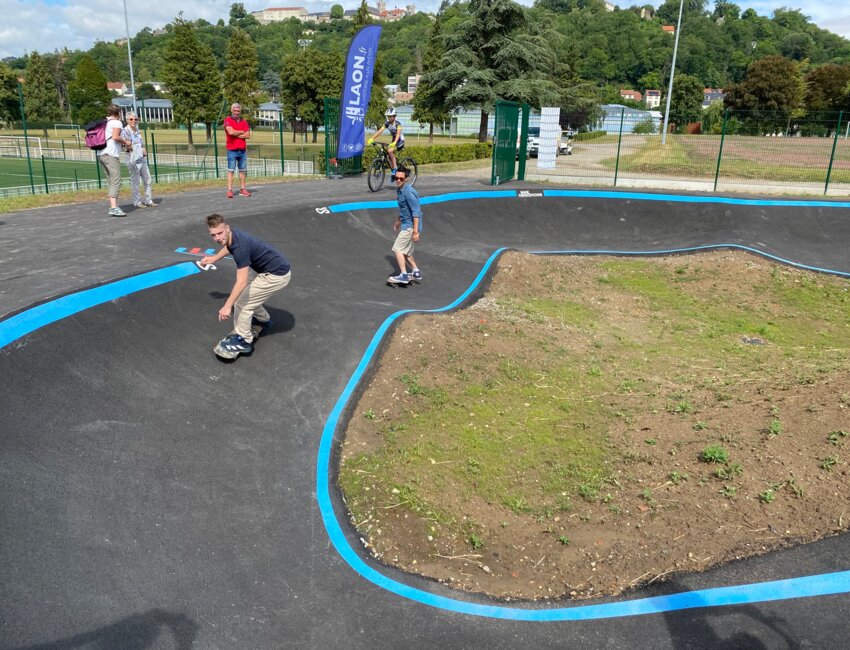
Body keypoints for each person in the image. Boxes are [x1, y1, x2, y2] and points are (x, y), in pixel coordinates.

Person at [199, 213, 291, 355]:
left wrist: (227, 306)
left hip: (276, 275)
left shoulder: (240, 248)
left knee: (241, 304)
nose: (217, 238)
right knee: (246, 295)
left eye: (220, 233)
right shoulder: (232, 235)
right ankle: (262, 320)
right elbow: (228, 246)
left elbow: (241, 282)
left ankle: (244, 341)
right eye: (213, 235)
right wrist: (214, 258)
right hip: (268, 268)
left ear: (227, 228)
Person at [387, 168, 422, 285]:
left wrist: (415, 232)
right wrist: (398, 221)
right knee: (406, 252)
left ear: (406, 179)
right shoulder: (399, 190)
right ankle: (416, 271)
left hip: (411, 226)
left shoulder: (409, 192)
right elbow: (403, 209)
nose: (398, 180)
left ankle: (403, 275)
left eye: (401, 178)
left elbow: (416, 212)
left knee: (398, 249)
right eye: (395, 178)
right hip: (406, 224)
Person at [98, 104, 131, 217]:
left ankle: (114, 205)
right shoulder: (117, 123)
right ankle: (113, 208)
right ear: (119, 113)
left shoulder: (105, 122)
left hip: (101, 153)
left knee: (111, 180)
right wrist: (126, 142)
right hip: (111, 155)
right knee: (116, 180)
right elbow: (115, 137)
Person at [121, 112, 156, 209]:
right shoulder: (124, 131)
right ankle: (137, 201)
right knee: (135, 181)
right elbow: (124, 145)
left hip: (141, 157)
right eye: (131, 119)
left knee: (148, 179)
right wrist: (130, 147)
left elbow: (140, 142)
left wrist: (143, 148)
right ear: (127, 120)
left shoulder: (137, 130)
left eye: (135, 119)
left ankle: (149, 200)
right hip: (131, 157)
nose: (134, 121)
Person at [368, 107, 405, 181]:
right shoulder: (387, 123)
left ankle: (394, 168)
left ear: (394, 116)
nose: (389, 118)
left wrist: (394, 142)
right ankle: (393, 169)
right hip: (393, 141)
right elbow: (380, 131)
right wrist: (372, 138)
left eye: (390, 116)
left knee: (390, 151)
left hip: (400, 141)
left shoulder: (398, 124)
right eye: (388, 116)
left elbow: (398, 135)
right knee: (386, 152)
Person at [223, 103, 251, 199]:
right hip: (232, 150)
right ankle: (230, 190)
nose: (236, 112)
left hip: (242, 150)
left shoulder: (244, 121)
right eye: (234, 111)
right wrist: (242, 131)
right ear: (231, 110)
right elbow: (230, 132)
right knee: (231, 170)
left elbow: (248, 135)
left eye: (238, 111)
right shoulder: (228, 120)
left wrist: (236, 132)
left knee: (242, 170)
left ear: (240, 111)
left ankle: (242, 189)